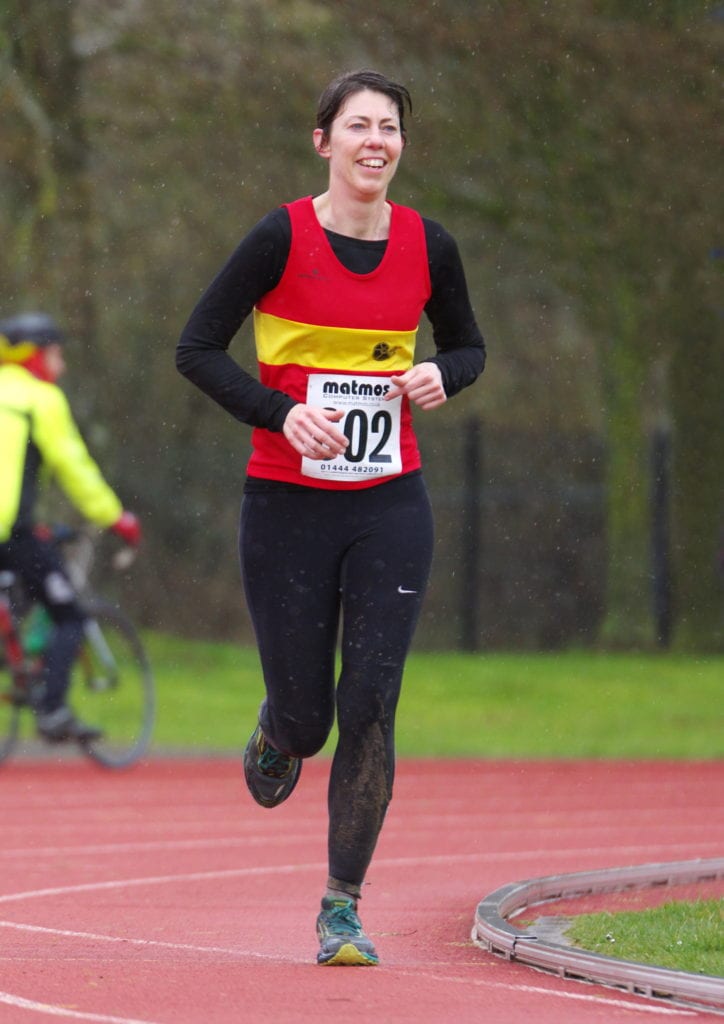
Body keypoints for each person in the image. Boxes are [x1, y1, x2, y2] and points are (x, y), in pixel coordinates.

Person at [176, 68, 486, 966]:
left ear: (402, 146)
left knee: (372, 702)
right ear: (324, 141)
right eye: (357, 126)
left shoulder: (430, 245)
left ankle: (342, 908)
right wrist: (281, 413)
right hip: (286, 503)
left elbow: (468, 345)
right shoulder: (280, 236)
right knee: (310, 719)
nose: (374, 141)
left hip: (391, 503)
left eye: (389, 127)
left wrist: (444, 374)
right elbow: (197, 348)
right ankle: (279, 729)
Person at [0, 312, 141, 742]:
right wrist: (115, 517)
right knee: (70, 615)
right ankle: (53, 711)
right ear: (36, 356)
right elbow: (73, 467)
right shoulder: (40, 399)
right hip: (9, 536)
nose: (60, 367)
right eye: (56, 355)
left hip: (18, 532)